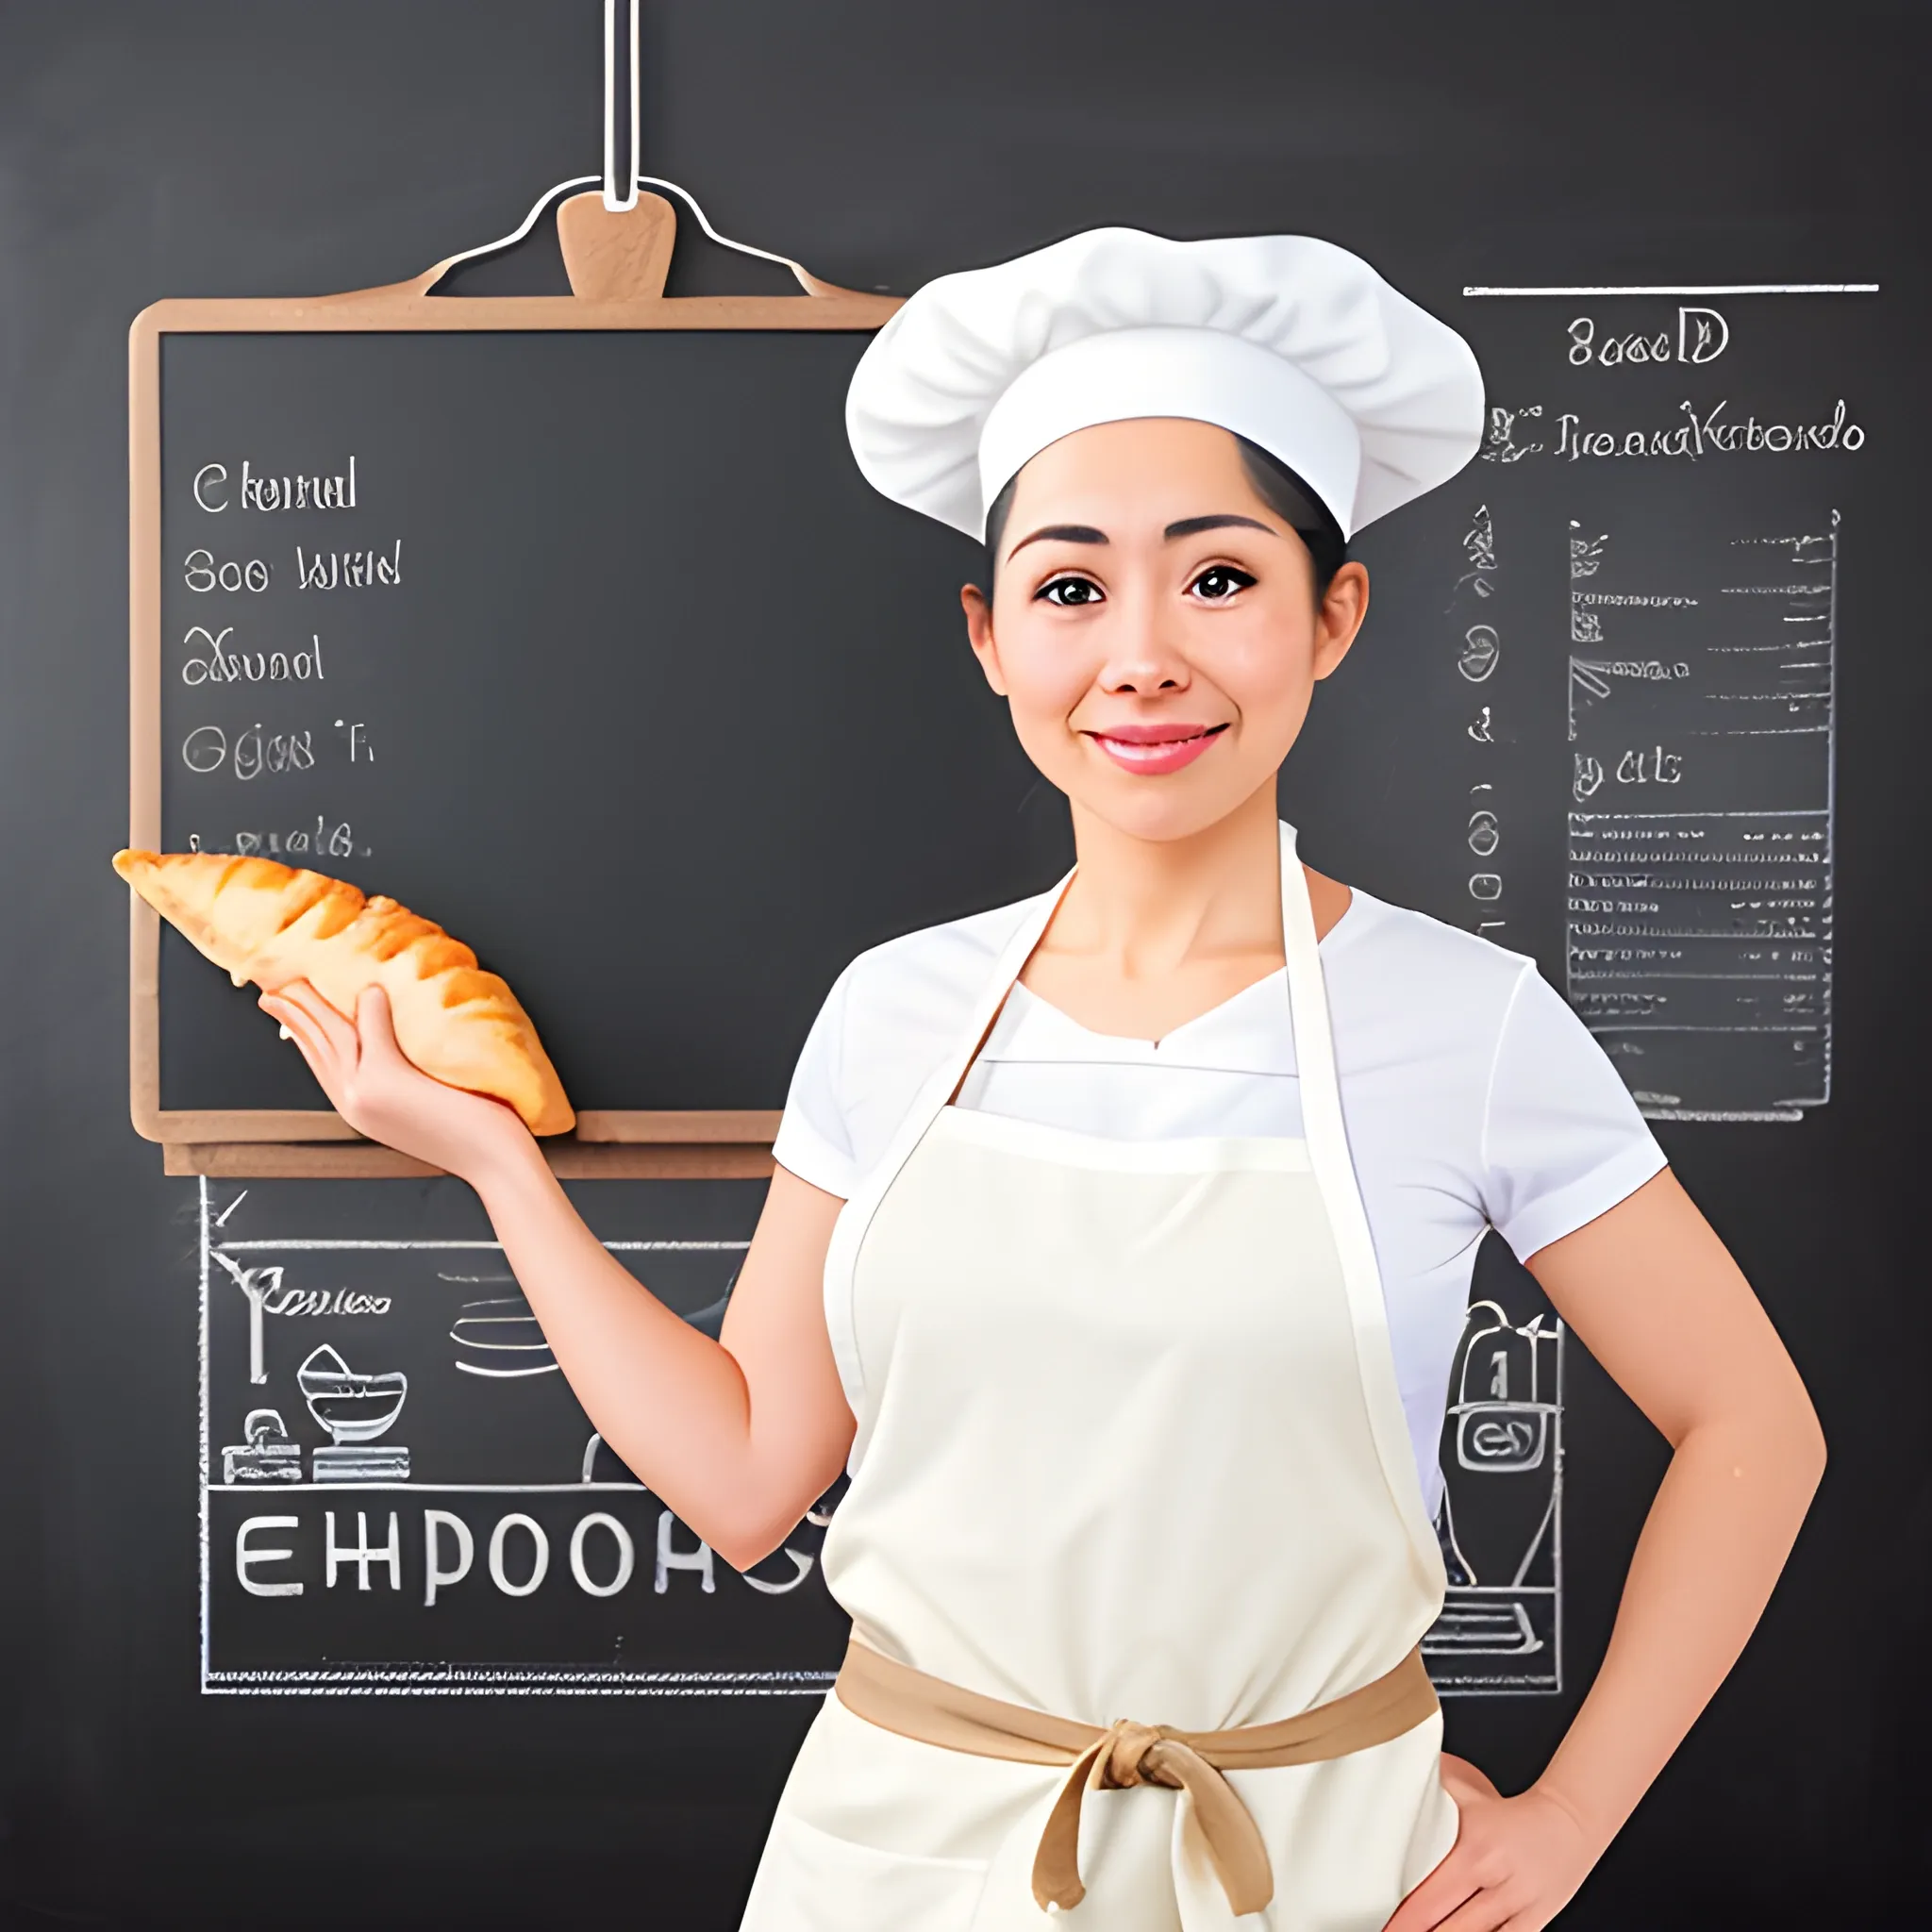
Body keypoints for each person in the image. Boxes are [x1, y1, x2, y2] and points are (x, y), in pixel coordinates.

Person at [261, 228, 1825, 1932]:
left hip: (1317, 1869)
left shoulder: (1471, 1022)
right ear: (991, 636)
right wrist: (500, 1166)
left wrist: (1575, 1812)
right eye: (1070, 587)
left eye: (1219, 579)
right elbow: (747, 1474)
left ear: (1335, 614)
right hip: (909, 1857)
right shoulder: (893, 1013)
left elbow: (1753, 1423)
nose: (1140, 655)